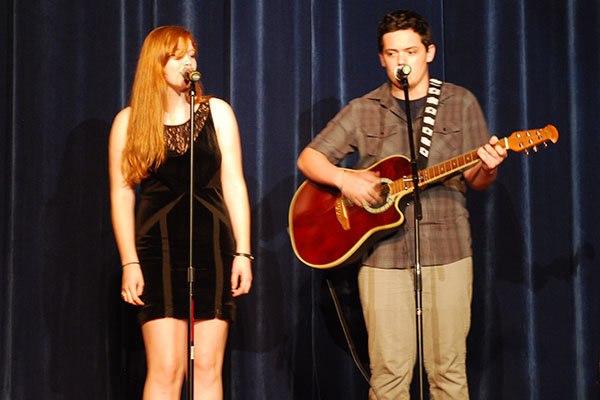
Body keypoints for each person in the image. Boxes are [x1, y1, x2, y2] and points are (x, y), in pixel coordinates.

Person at [297, 10, 507, 400]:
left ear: (429, 52)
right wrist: (347, 180)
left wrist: (489, 168)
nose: (401, 62)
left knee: (448, 371)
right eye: (392, 54)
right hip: (382, 258)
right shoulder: (363, 109)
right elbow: (309, 159)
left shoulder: (460, 103)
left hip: (449, 250)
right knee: (390, 373)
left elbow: (476, 180)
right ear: (381, 58)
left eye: (410, 52)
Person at [109, 26, 252, 400]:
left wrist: (243, 252)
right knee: (167, 366)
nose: (189, 62)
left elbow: (234, 183)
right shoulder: (129, 122)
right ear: (157, 64)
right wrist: (129, 262)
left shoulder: (217, 112)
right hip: (157, 247)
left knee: (206, 367)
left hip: (212, 245)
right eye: (178, 55)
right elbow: (122, 193)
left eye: (192, 54)